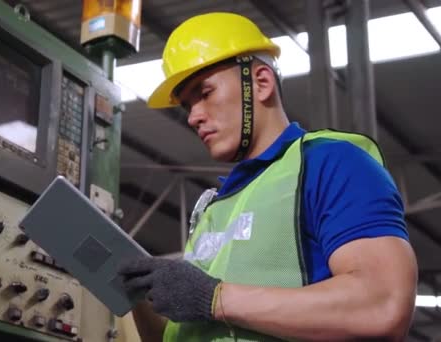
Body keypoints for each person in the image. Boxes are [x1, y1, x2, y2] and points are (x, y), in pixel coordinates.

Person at [118, 12, 417, 342]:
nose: (193, 117)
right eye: (187, 105)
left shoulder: (329, 163)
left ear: (261, 83)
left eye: (204, 93)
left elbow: (382, 304)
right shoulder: (213, 211)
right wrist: (141, 297)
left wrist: (215, 298)